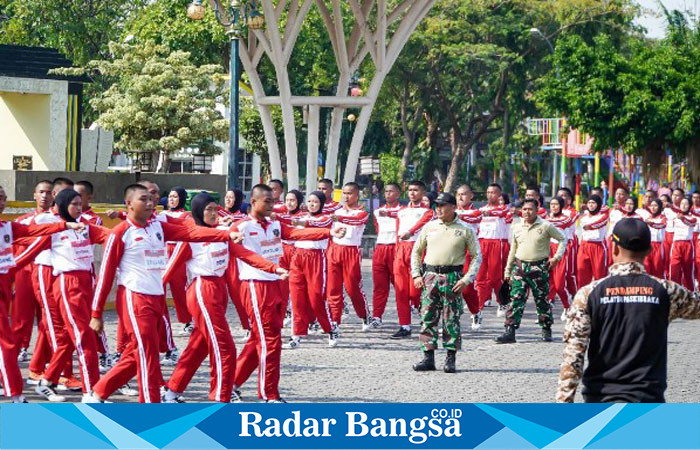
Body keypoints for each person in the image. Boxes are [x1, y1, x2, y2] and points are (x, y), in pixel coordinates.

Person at [88, 184, 245, 403]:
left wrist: (225, 234)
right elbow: (105, 275)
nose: (150, 203)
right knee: (148, 356)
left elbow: (190, 232)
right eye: (143, 199)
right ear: (129, 204)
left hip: (156, 297)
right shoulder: (121, 234)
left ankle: (99, 392)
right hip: (134, 297)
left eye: (152, 199)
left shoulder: (157, 227)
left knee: (139, 353)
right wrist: (96, 313)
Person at [557, 218, 700, 403]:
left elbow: (574, 356)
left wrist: (563, 406)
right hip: (648, 402)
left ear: (613, 247)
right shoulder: (666, 292)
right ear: (649, 251)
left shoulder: (588, 294)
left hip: (600, 401)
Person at [162, 193, 288, 403]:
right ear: (198, 212)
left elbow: (246, 255)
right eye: (207, 210)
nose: (213, 214)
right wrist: (156, 297)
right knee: (225, 347)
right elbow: (169, 270)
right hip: (203, 290)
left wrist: (274, 268)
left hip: (219, 290)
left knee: (199, 345)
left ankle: (171, 391)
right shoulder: (191, 236)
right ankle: (221, 396)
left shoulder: (223, 233)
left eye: (215, 209)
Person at [231, 184, 344, 403]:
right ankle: (269, 394)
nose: (272, 205)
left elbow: (294, 233)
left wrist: (329, 232)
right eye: (267, 201)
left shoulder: (274, 223)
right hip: (256, 285)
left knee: (259, 338)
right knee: (270, 341)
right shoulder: (241, 227)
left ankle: (231, 384)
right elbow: (246, 256)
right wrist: (273, 268)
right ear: (253, 202)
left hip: (275, 283)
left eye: (273, 201)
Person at [16, 189, 111, 402]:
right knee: (84, 338)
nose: (79, 208)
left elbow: (111, 236)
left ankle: (47, 380)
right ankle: (91, 392)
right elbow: (27, 247)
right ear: (62, 205)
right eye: (74, 204)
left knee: (71, 337)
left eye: (81, 204)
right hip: (68, 285)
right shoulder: (54, 229)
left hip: (87, 284)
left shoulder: (86, 227)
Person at [0, 184, 86, 403]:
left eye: (3, 198)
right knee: (7, 342)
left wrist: (65, 225)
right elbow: (32, 243)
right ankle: (17, 395)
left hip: (6, 285)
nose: (1, 203)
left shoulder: (8, 228)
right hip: (38, 275)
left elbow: (33, 233)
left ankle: (23, 385)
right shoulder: (27, 221)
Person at [19, 177, 81, 391]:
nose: (71, 200)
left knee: (53, 324)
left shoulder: (76, 219)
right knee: (54, 324)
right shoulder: (45, 219)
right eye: (65, 195)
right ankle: (63, 373)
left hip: (61, 274)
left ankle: (36, 367)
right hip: (45, 270)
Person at [410, 192, 481, 373]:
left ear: (453, 207)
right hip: (430, 276)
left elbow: (476, 256)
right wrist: (417, 275)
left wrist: (467, 279)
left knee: (451, 319)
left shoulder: (465, 229)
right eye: (437, 205)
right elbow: (416, 252)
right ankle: (428, 357)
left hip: (453, 277)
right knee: (427, 317)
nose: (439, 209)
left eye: (443, 205)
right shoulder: (430, 227)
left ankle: (450, 358)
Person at [496, 199, 566, 344]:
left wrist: (556, 258)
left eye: (530, 209)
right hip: (520, 267)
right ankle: (510, 331)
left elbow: (562, 239)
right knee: (516, 298)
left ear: (536, 210)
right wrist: (507, 271)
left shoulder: (545, 225)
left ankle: (546, 328)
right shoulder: (517, 226)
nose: (527, 212)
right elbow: (512, 250)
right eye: (525, 209)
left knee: (542, 300)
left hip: (539, 268)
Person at [282, 191, 339, 348]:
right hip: (297, 257)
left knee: (316, 298)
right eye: (309, 201)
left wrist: (300, 226)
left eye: (315, 202)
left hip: (316, 259)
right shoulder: (301, 218)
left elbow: (314, 227)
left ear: (321, 204)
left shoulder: (325, 219)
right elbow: (292, 230)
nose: (312, 204)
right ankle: (296, 336)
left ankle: (330, 328)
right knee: (296, 298)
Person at [11, 180, 53, 364]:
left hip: (48, 273)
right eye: (41, 192)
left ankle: (45, 353)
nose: (45, 195)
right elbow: (13, 251)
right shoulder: (22, 221)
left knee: (47, 316)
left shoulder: (59, 220)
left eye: (49, 192)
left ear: (54, 196)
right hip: (25, 273)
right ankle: (19, 348)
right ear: (34, 195)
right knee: (21, 316)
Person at [390, 180, 434, 338]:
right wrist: (396, 251)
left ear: (423, 193)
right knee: (400, 290)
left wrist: (410, 231)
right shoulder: (401, 211)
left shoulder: (428, 212)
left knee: (415, 291)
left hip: (418, 250)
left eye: (416, 190)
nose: (412, 193)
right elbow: (397, 232)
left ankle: (426, 318)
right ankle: (405, 326)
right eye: (410, 190)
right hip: (401, 250)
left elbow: (421, 224)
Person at [327, 182, 371, 329]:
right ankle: (335, 321)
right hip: (334, 250)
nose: (346, 196)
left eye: (350, 193)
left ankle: (364, 315)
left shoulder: (361, 213)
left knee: (352, 288)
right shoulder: (337, 212)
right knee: (333, 288)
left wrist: (339, 220)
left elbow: (356, 221)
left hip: (351, 252)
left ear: (357, 195)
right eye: (344, 193)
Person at [475, 183, 509, 322]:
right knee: (480, 277)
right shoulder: (481, 210)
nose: (490, 195)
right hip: (482, 243)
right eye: (488, 192)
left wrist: (489, 213)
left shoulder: (503, 209)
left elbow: (501, 213)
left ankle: (502, 302)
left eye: (493, 192)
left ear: (499, 195)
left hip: (497, 244)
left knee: (495, 277)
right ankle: (479, 307)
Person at [369, 183, 402, 329]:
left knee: (400, 285)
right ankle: (377, 316)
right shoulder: (378, 211)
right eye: (386, 191)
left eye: (392, 191)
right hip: (381, 249)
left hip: (396, 249)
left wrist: (389, 214)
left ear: (399, 194)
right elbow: (377, 228)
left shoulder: (403, 211)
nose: (388, 194)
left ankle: (410, 312)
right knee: (379, 286)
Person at [163, 186, 193, 338]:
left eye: (175, 196)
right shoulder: (162, 214)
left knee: (179, 289)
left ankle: (188, 321)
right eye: (170, 196)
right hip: (163, 252)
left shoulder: (187, 215)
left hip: (178, 251)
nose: (172, 199)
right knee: (158, 289)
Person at [455, 184, 483, 329]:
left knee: (466, 287)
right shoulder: (452, 211)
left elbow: (471, 218)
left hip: (469, 253)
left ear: (471, 195)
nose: (460, 197)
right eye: (458, 194)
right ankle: (450, 320)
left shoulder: (476, 212)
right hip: (453, 251)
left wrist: (453, 215)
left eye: (464, 194)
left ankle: (476, 312)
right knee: (448, 286)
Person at [545, 197, 575, 319]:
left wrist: (543, 222)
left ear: (561, 206)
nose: (553, 206)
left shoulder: (565, 218)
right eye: (551, 204)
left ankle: (567, 306)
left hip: (561, 250)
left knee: (559, 285)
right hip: (548, 249)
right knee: (547, 283)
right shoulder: (546, 218)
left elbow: (559, 224)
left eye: (556, 204)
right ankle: (545, 311)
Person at [577, 195, 609, 287]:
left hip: (598, 247)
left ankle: (600, 298)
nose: (591, 205)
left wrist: (590, 227)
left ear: (598, 204)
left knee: (600, 276)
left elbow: (600, 223)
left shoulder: (603, 216)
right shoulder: (584, 217)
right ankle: (583, 298)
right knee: (582, 274)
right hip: (584, 246)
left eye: (593, 203)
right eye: (589, 203)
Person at [667, 196, 696, 290]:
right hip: (676, 245)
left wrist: (682, 218)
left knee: (688, 270)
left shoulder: (692, 218)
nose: (683, 205)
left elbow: (690, 223)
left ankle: (691, 292)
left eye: (686, 204)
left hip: (687, 245)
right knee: (674, 268)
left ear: (690, 206)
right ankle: (674, 291)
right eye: (682, 203)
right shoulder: (675, 216)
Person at [557, 187, 580, 302]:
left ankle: (574, 293)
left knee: (569, 271)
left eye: (563, 195)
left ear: (569, 199)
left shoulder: (573, 212)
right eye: (559, 195)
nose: (560, 198)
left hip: (569, 243)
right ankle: (551, 297)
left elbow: (566, 223)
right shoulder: (553, 212)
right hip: (554, 244)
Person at [644, 199, 666, 278]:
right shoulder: (648, 218)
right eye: (652, 206)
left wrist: (651, 224)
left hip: (658, 246)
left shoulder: (663, 218)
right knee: (646, 267)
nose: (653, 208)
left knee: (657, 269)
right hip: (648, 246)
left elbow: (661, 225)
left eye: (655, 206)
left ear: (660, 207)